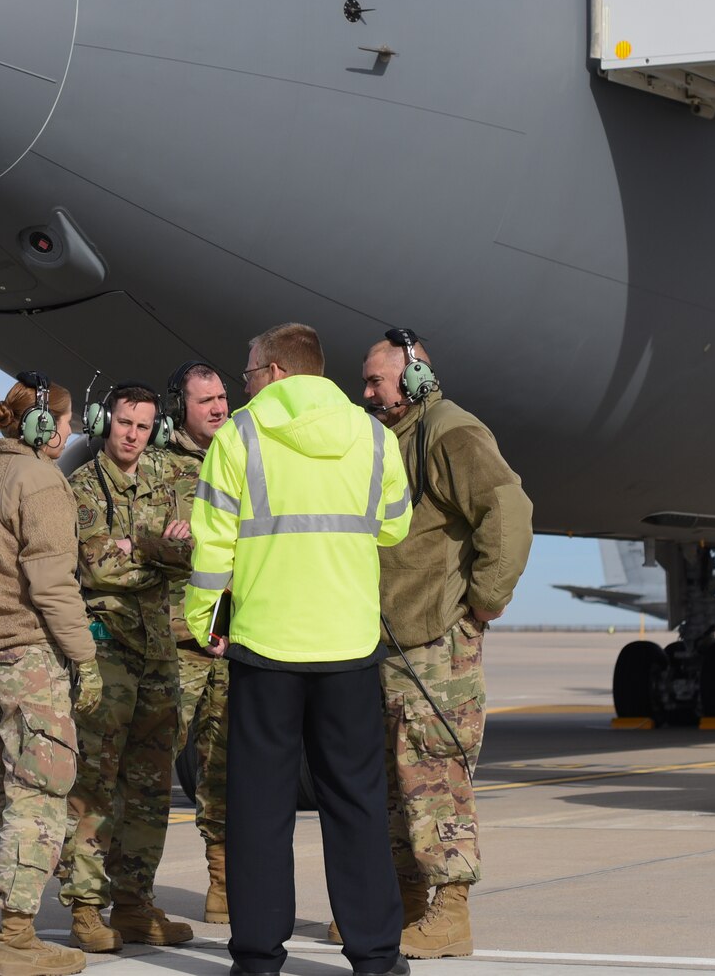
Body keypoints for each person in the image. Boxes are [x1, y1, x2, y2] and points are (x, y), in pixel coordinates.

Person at [185, 323, 413, 976]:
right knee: (358, 800)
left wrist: (204, 619)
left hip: (264, 644)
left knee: (260, 805)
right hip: (347, 643)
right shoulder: (373, 436)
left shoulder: (239, 438)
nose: (245, 382)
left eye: (251, 369)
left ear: (280, 370)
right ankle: (375, 955)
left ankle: (258, 958)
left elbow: (212, 546)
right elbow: (395, 523)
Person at [358, 330, 533, 961]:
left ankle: (450, 912)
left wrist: (484, 600)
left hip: (436, 641)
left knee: (434, 774)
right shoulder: (395, 437)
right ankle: (407, 905)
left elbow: (508, 512)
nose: (368, 391)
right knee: (394, 776)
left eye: (377, 381)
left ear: (415, 379)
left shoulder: (451, 431)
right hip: (392, 641)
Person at [0, 372, 103, 976]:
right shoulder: (39, 481)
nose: (69, 433)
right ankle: (17, 939)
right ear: (43, 425)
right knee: (38, 796)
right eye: (64, 423)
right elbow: (54, 586)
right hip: (27, 658)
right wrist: (85, 659)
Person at [60, 383, 196, 953]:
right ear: (104, 422)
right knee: (95, 782)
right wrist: (155, 551)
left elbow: (195, 550)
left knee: (149, 785)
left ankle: (135, 902)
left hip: (159, 650)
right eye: (123, 423)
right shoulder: (82, 485)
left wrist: (135, 547)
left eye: (142, 426)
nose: (132, 435)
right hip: (107, 649)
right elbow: (96, 567)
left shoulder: (168, 478)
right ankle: (86, 908)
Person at [154, 361, 234, 922]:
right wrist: (163, 541)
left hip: (234, 641)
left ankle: (224, 888)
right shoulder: (158, 469)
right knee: (149, 769)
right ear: (180, 406)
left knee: (228, 771)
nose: (218, 407)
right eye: (205, 400)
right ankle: (129, 893)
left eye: (223, 396)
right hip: (179, 644)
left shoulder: (243, 458)